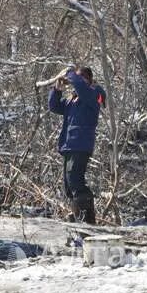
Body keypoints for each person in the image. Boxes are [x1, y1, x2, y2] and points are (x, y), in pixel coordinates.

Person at [48, 66, 106, 224]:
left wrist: (70, 73)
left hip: (81, 144)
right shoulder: (72, 101)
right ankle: (79, 216)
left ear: (87, 80)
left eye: (80, 78)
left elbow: (81, 86)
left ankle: (88, 217)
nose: (75, 82)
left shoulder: (93, 94)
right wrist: (57, 89)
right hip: (69, 145)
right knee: (68, 185)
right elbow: (54, 106)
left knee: (75, 179)